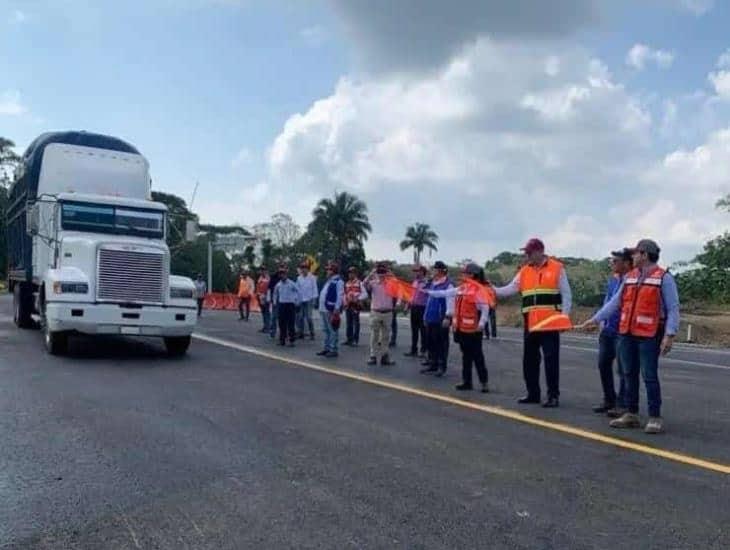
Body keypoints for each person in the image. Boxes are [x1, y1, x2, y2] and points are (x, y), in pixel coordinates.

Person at [580, 239, 680, 434]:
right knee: (628, 373)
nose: (632, 257)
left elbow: (673, 308)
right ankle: (631, 413)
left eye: (635, 254)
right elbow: (615, 303)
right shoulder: (630, 277)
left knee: (649, 375)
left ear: (644, 255)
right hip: (627, 332)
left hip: (649, 334)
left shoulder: (664, 278)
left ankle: (654, 416)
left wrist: (670, 334)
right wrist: (595, 319)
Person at [495, 238, 572, 408]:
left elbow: (566, 294)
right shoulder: (524, 271)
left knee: (551, 360)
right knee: (529, 359)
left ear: (539, 251)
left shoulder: (557, 268)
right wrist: (489, 288)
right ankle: (533, 393)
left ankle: (553, 395)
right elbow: (508, 290)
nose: (526, 255)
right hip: (531, 322)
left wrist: (564, 317)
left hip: (550, 323)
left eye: (529, 252)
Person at [590, 248, 633, 417]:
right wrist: (601, 321)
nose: (611, 264)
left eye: (615, 261)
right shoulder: (614, 280)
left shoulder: (631, 280)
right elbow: (607, 302)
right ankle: (609, 398)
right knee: (603, 364)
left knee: (623, 369)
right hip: (608, 329)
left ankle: (623, 403)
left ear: (626, 263)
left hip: (622, 329)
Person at [421, 261, 454, 377]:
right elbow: (429, 302)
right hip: (430, 317)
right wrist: (425, 316)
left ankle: (441, 366)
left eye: (434, 270)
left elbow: (450, 302)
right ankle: (432, 363)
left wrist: (448, 317)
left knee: (441, 343)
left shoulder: (448, 285)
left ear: (440, 271)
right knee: (431, 342)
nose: (432, 272)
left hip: (441, 318)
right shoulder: (433, 283)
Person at [364, 262, 396, 366]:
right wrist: (371, 273)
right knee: (374, 335)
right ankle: (373, 356)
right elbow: (364, 284)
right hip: (376, 312)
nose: (381, 274)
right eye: (380, 272)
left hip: (387, 312)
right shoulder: (373, 283)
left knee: (386, 336)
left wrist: (389, 272)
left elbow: (398, 283)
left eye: (383, 272)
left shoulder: (391, 283)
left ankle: (384, 357)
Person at [317, 261, 344, 358]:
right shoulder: (329, 281)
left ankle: (333, 349)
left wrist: (337, 308)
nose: (327, 271)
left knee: (332, 329)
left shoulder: (338, 281)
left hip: (331, 309)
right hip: (324, 308)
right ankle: (326, 348)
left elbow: (340, 295)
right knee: (326, 330)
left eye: (328, 269)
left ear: (333, 271)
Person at [404, 265, 429, 358]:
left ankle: (423, 350)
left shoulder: (427, 283)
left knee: (423, 330)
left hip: (422, 308)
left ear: (423, 272)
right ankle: (413, 349)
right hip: (414, 307)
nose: (415, 273)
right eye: (415, 271)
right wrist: (407, 305)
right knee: (414, 330)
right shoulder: (415, 282)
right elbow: (411, 295)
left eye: (417, 271)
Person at [273, 266, 301, 346]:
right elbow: (275, 293)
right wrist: (275, 302)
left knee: (291, 323)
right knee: (282, 323)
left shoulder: (291, 283)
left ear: (286, 275)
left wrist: (297, 301)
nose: (282, 275)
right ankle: (282, 340)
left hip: (290, 304)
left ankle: (292, 341)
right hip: (282, 304)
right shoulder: (278, 285)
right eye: (280, 274)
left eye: (283, 274)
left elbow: (299, 292)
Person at [344, 267, 366, 346]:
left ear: (355, 274)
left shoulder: (360, 283)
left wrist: (358, 298)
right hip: (348, 304)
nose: (350, 274)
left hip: (355, 305)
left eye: (352, 272)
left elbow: (365, 294)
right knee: (348, 323)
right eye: (349, 273)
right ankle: (349, 339)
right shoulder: (347, 283)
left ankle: (355, 340)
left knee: (356, 323)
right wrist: (345, 302)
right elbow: (345, 294)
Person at [296, 262, 318, 340]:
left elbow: (315, 288)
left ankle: (312, 333)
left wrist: (314, 299)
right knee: (300, 317)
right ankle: (301, 332)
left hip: (309, 299)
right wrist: (297, 300)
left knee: (309, 317)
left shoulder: (312, 277)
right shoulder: (299, 278)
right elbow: (297, 289)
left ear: (308, 269)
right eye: (302, 268)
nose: (303, 270)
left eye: (305, 268)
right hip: (301, 300)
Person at [267, 267, 282, 340]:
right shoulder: (273, 277)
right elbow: (269, 288)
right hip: (275, 300)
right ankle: (272, 332)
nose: (281, 273)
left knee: (282, 318)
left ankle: (283, 333)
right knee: (274, 317)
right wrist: (269, 298)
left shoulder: (286, 278)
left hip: (283, 300)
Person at [256, 268, 271, 333]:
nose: (262, 271)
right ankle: (265, 326)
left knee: (267, 312)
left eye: (264, 270)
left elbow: (269, 288)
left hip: (266, 296)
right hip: (260, 296)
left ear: (266, 271)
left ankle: (268, 327)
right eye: (261, 270)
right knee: (263, 312)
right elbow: (258, 287)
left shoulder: (268, 278)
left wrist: (268, 298)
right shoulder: (260, 278)